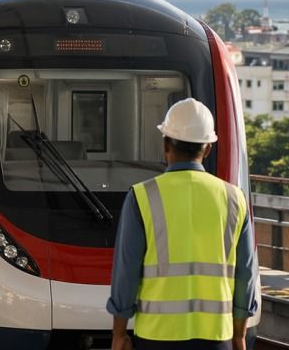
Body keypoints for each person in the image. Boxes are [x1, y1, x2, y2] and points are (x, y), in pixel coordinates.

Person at [107, 98, 259, 350]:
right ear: (208, 148)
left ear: (165, 143)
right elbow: (246, 274)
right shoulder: (234, 199)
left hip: (157, 336)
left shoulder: (142, 196)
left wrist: (119, 334)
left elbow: (126, 272)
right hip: (217, 336)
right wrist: (239, 335)